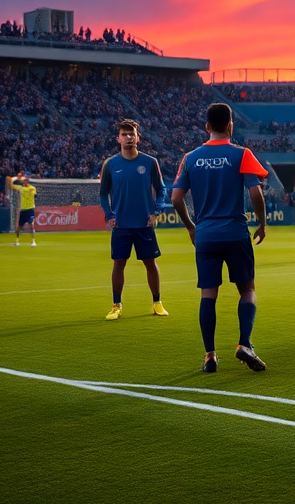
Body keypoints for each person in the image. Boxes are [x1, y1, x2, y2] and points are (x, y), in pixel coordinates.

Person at [172, 103, 270, 373]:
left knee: (208, 294)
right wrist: (261, 224)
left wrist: (191, 227)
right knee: (247, 289)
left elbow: (176, 198)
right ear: (230, 126)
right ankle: (244, 344)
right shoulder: (241, 154)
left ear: (207, 127)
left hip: (205, 235)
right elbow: (255, 193)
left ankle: (210, 357)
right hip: (235, 232)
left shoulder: (190, 158)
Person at [99, 120, 169, 321]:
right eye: (124, 134)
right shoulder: (110, 164)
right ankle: (116, 305)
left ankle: (157, 302)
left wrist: (156, 211)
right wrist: (109, 215)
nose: (128, 137)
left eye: (132, 134)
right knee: (118, 264)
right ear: (118, 138)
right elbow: (103, 194)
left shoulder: (149, 162)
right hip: (121, 225)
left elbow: (161, 189)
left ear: (138, 138)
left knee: (150, 263)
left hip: (144, 224)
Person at [10, 173, 38, 247]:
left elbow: (34, 195)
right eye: (23, 181)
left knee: (31, 224)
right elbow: (11, 184)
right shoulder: (21, 188)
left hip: (30, 209)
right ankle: (17, 242)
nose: (23, 182)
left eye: (24, 181)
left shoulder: (32, 188)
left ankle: (33, 241)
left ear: (27, 182)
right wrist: (16, 178)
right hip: (23, 210)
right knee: (19, 226)